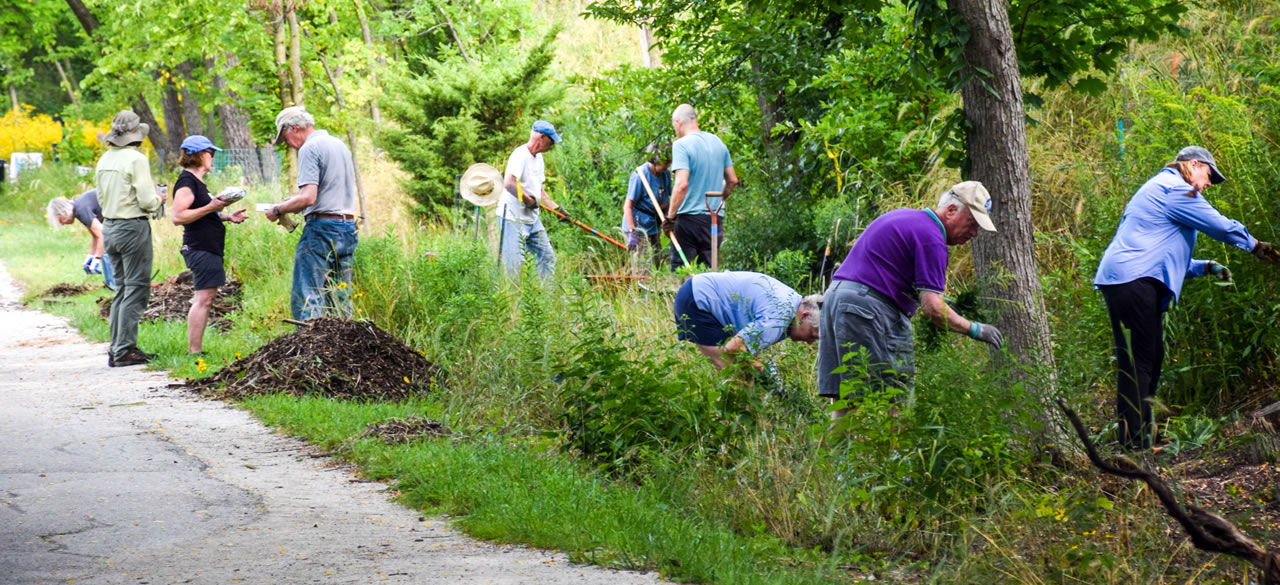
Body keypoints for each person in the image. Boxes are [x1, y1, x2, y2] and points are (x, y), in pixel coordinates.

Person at [1094, 146, 1279, 451]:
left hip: (1127, 278)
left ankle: (1140, 436)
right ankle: (1135, 443)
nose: (1209, 184)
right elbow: (1218, 225)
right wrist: (1255, 245)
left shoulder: (1159, 188)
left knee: (1147, 358)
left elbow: (1159, 253)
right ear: (1193, 165)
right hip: (1133, 280)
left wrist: (1205, 267)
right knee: (1140, 361)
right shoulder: (1176, 189)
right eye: (1209, 175)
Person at [816, 182, 1003, 418]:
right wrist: (976, 330)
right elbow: (934, 310)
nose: (974, 233)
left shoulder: (907, 218)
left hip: (837, 300)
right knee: (895, 397)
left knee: (848, 398)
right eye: (972, 223)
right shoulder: (932, 238)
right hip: (867, 308)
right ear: (952, 210)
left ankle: (840, 454)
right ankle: (894, 453)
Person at [264, 106, 360, 321]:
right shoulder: (339, 144)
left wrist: (278, 209)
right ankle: (342, 346)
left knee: (307, 294)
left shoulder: (309, 148)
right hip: (347, 228)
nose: (287, 143)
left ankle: (310, 350)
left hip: (322, 231)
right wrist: (295, 202)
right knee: (339, 294)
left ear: (295, 128)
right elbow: (328, 191)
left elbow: (308, 197)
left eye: (285, 136)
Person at [96, 110, 165, 367]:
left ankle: (116, 348)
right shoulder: (136, 159)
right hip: (132, 227)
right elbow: (147, 200)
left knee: (121, 289)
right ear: (136, 135)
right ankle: (124, 350)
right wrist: (160, 200)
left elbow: (101, 198)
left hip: (110, 227)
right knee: (136, 288)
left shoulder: (104, 159)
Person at [170, 135, 247, 354]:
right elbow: (178, 216)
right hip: (199, 247)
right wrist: (211, 207)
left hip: (209, 246)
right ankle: (194, 351)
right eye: (209, 153)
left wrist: (227, 216)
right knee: (203, 299)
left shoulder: (198, 182)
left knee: (207, 297)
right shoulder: (187, 182)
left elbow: (203, 213)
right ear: (197, 155)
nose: (212, 157)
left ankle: (195, 349)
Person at [674, 271, 821, 370]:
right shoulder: (778, 318)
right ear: (805, 315)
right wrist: (760, 369)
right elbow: (733, 348)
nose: (809, 342)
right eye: (812, 335)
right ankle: (727, 416)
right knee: (734, 372)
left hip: (699, 289)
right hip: (697, 299)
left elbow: (748, 345)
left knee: (744, 371)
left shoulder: (791, 303)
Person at [663, 104, 739, 269]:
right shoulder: (718, 143)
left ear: (678, 122)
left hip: (689, 220)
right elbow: (732, 180)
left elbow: (681, 184)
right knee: (709, 273)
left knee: (683, 271)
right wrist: (720, 199)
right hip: (714, 219)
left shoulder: (681, 145)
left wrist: (670, 217)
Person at [496, 120, 569, 279]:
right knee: (514, 264)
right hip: (512, 218)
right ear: (542, 137)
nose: (552, 145)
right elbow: (509, 182)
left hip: (532, 220)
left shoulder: (539, 158)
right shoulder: (520, 155)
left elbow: (539, 189)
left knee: (547, 258)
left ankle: (548, 299)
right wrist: (527, 200)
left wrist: (556, 209)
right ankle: (512, 300)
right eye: (551, 141)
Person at [46, 189, 117, 290]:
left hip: (122, 211)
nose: (61, 224)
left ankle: (115, 287)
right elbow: (95, 236)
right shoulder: (79, 208)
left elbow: (102, 234)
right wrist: (90, 257)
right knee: (105, 250)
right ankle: (114, 285)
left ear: (62, 213)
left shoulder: (81, 209)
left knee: (106, 252)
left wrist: (97, 259)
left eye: (59, 220)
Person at [622, 143, 671, 271]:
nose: (668, 166)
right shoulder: (640, 175)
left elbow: (667, 200)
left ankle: (657, 289)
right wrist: (632, 232)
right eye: (666, 163)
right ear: (656, 160)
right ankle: (641, 289)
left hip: (653, 223)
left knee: (658, 260)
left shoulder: (665, 174)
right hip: (637, 225)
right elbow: (627, 206)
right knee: (642, 267)